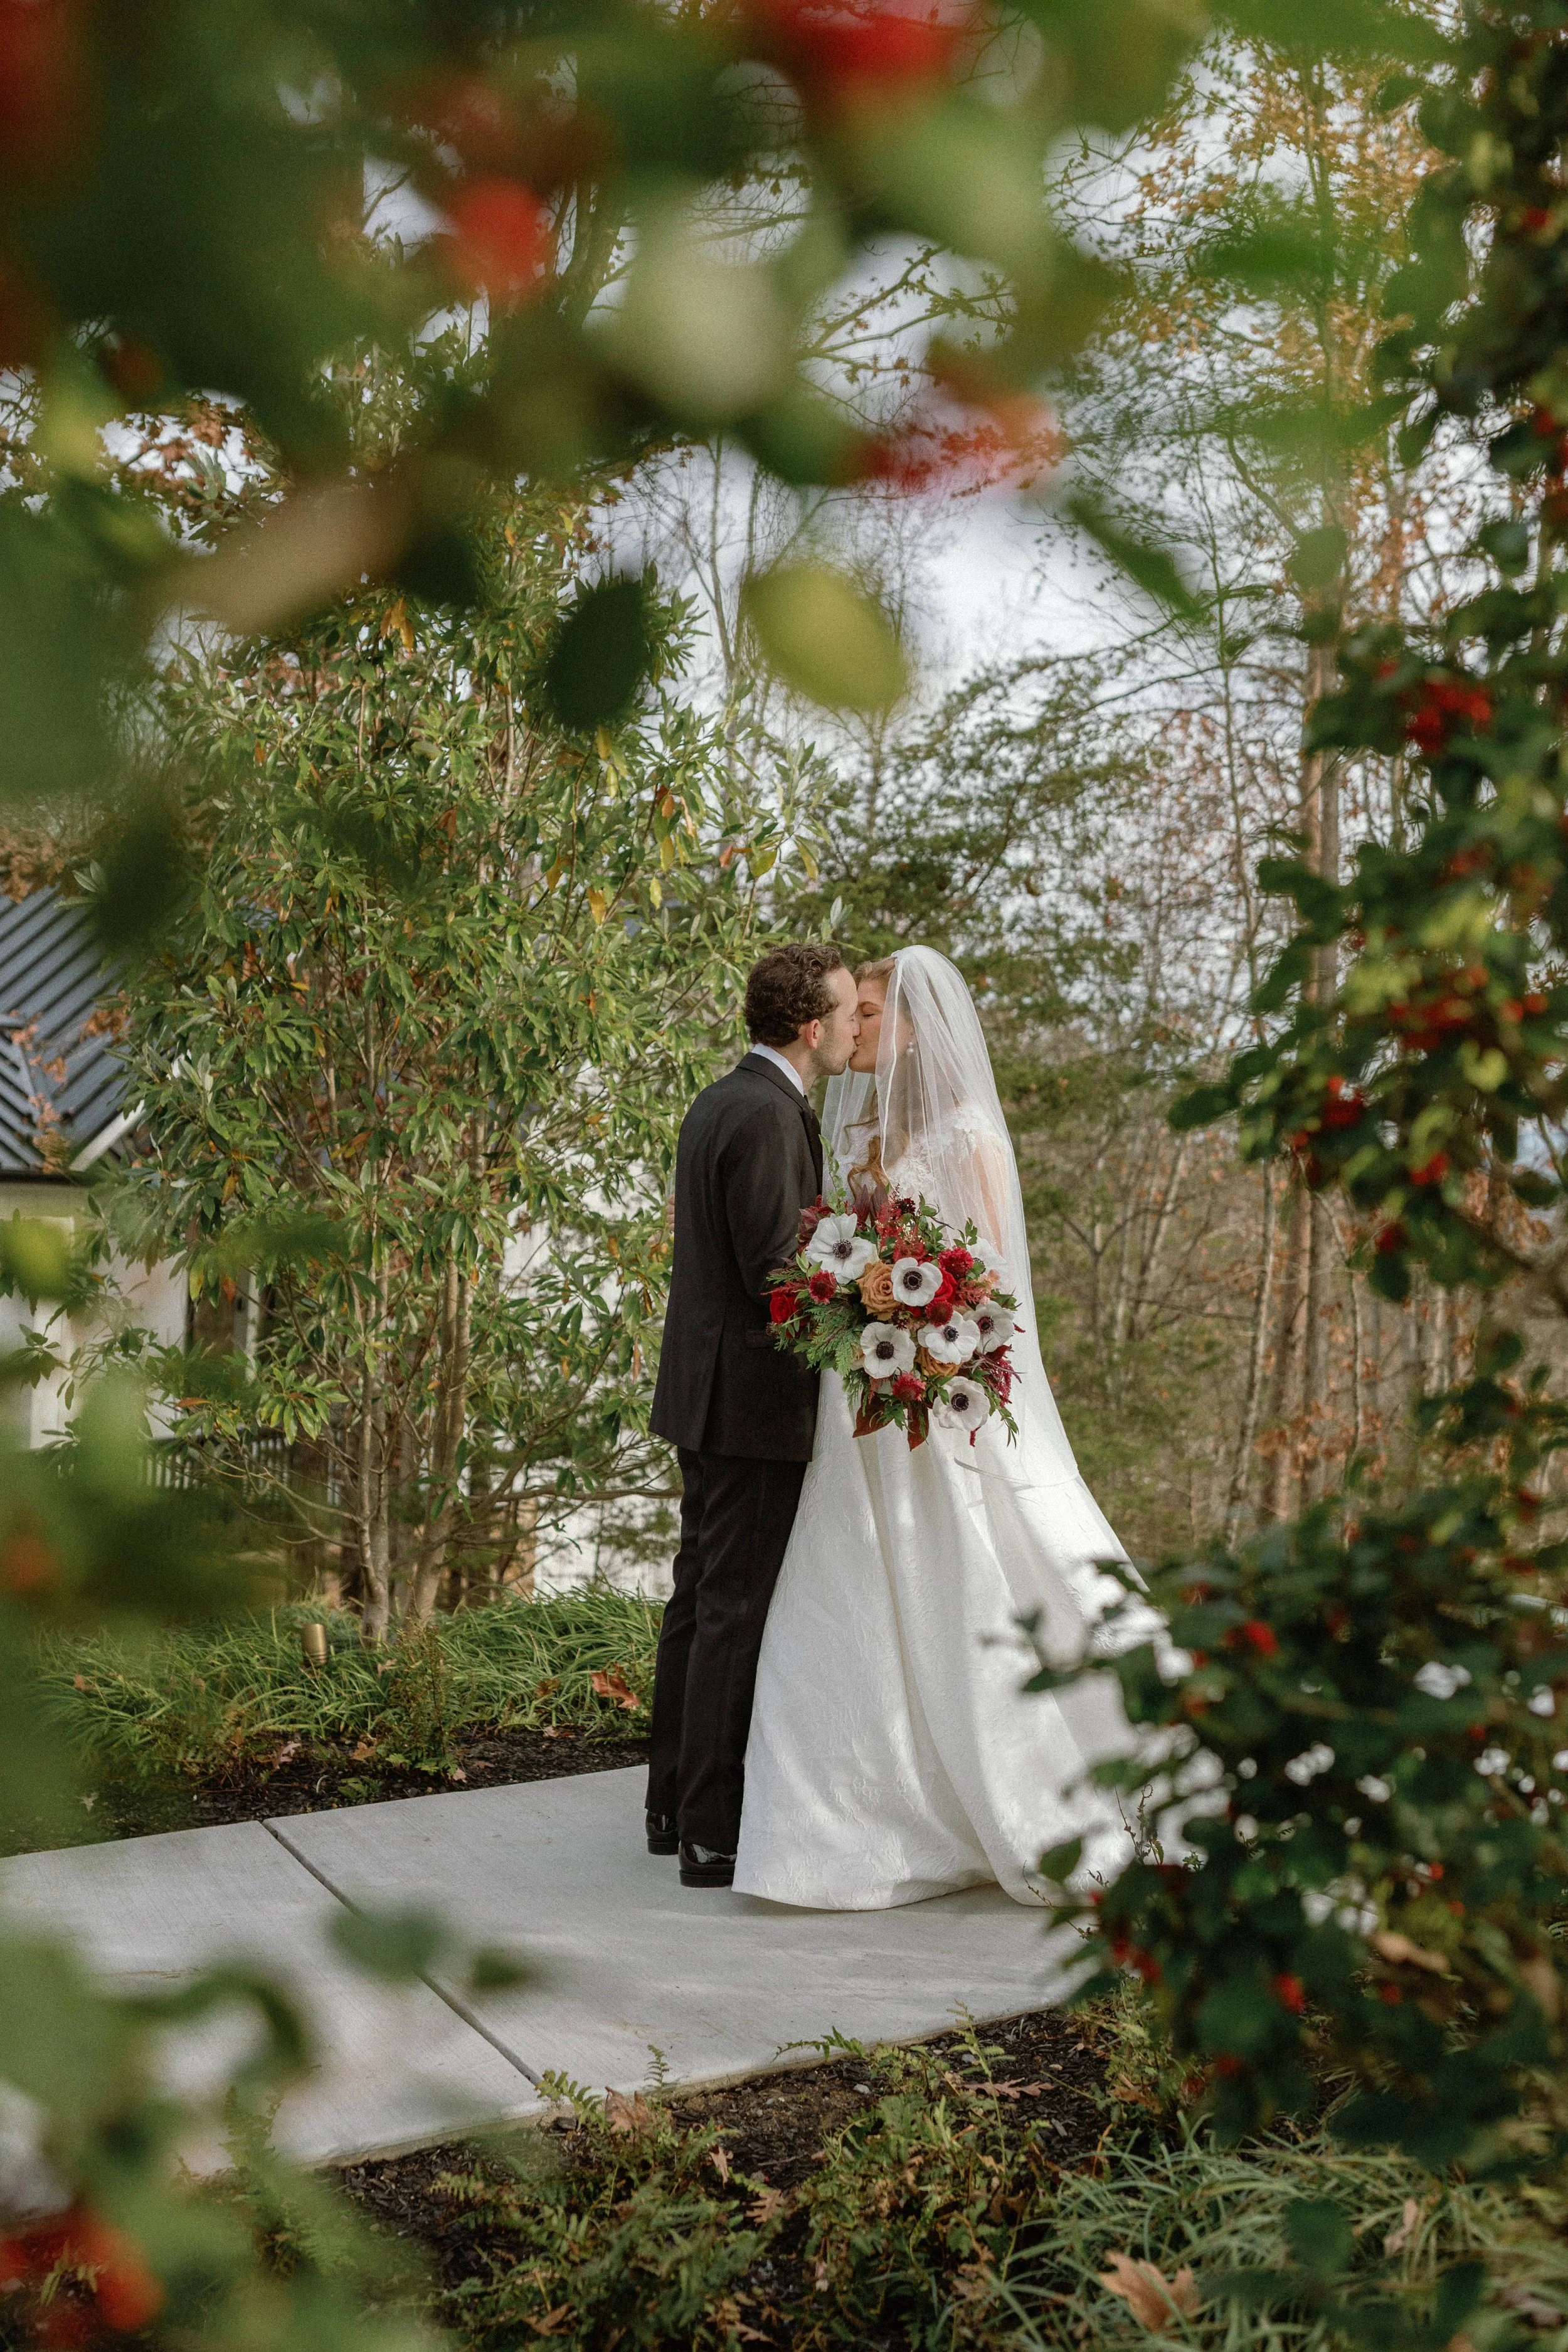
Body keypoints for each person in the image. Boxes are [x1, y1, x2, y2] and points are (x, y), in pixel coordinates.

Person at [733, 945, 1138, 1910]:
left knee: (990, 1565)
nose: (854, 1027)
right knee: (849, 1587)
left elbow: (994, 1281)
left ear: (913, 1022)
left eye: (868, 1011)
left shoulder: (970, 1134)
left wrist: (930, 1336)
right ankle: (847, 1813)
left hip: (945, 1385)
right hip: (867, 1390)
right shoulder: (861, 1124)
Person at [646, 941, 861, 1888]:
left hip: (704, 1393)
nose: (857, 1028)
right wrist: (872, 1313)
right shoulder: (773, 1117)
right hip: (749, 1406)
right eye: (849, 1014)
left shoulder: (719, 1099)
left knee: (698, 1598)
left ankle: (668, 1802)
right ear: (811, 1026)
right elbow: (778, 1274)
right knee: (730, 1606)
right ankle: (711, 1831)